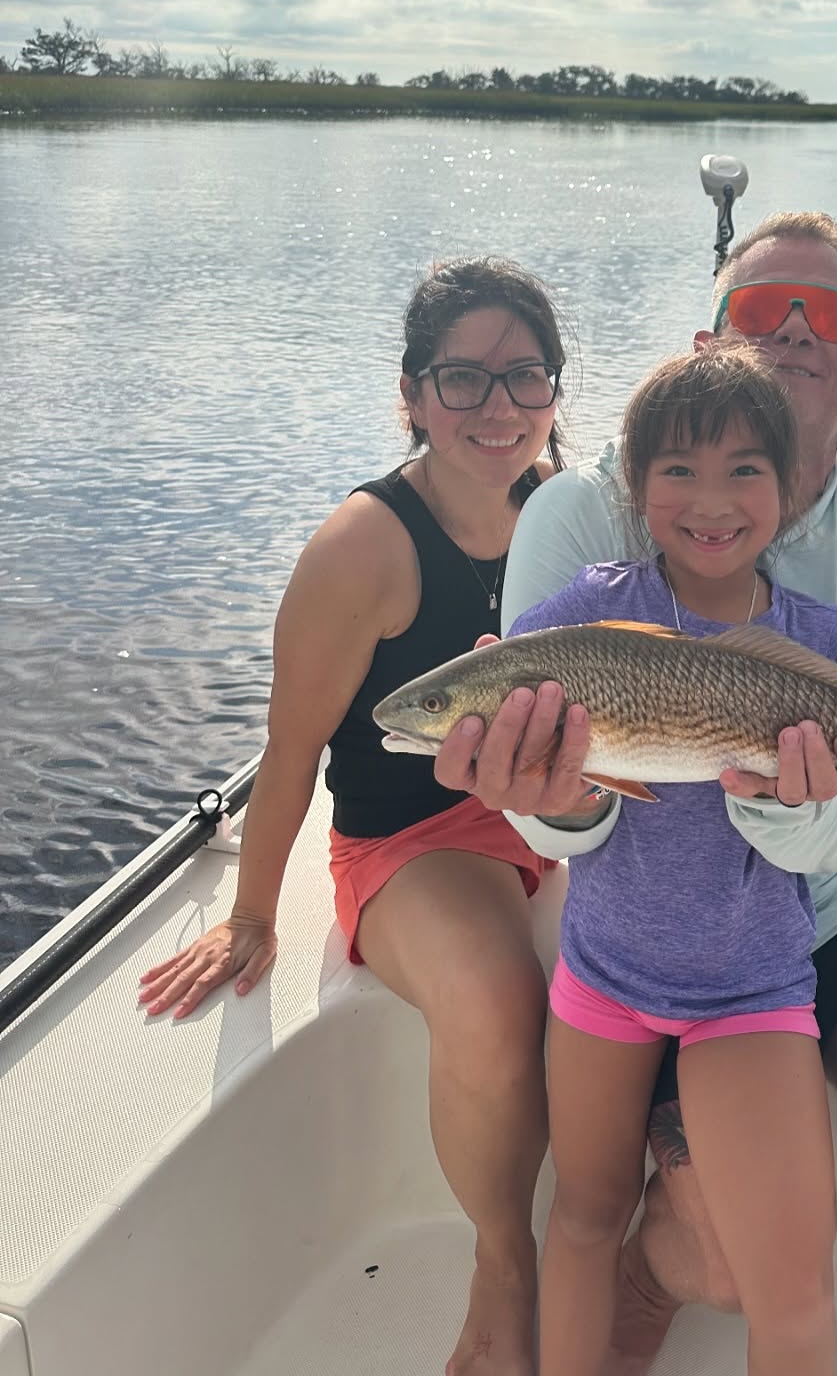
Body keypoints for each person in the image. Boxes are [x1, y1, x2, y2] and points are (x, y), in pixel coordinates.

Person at [437, 212, 837, 1376]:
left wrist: (804, 799)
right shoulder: (576, 522)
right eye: (762, 312)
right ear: (713, 342)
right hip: (627, 905)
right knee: (704, 1250)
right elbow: (553, 792)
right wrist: (551, 799)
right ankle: (653, 1274)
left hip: (816, 898)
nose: (797, 332)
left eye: (831, 315)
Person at [137, 256, 568, 1376]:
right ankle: (503, 1267)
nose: (498, 408)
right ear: (412, 396)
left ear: (556, 393)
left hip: (560, 815)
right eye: (462, 380)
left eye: (525, 377)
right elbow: (289, 756)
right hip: (416, 841)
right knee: (494, 997)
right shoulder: (362, 548)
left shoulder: (565, 519)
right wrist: (251, 914)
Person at [516, 345, 837, 1376]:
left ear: (787, 491)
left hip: (752, 986)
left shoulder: (815, 637)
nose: (712, 499)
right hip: (601, 973)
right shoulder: (580, 618)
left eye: (746, 470)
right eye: (678, 470)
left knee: (792, 1293)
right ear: (637, 489)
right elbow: (519, 731)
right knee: (583, 1217)